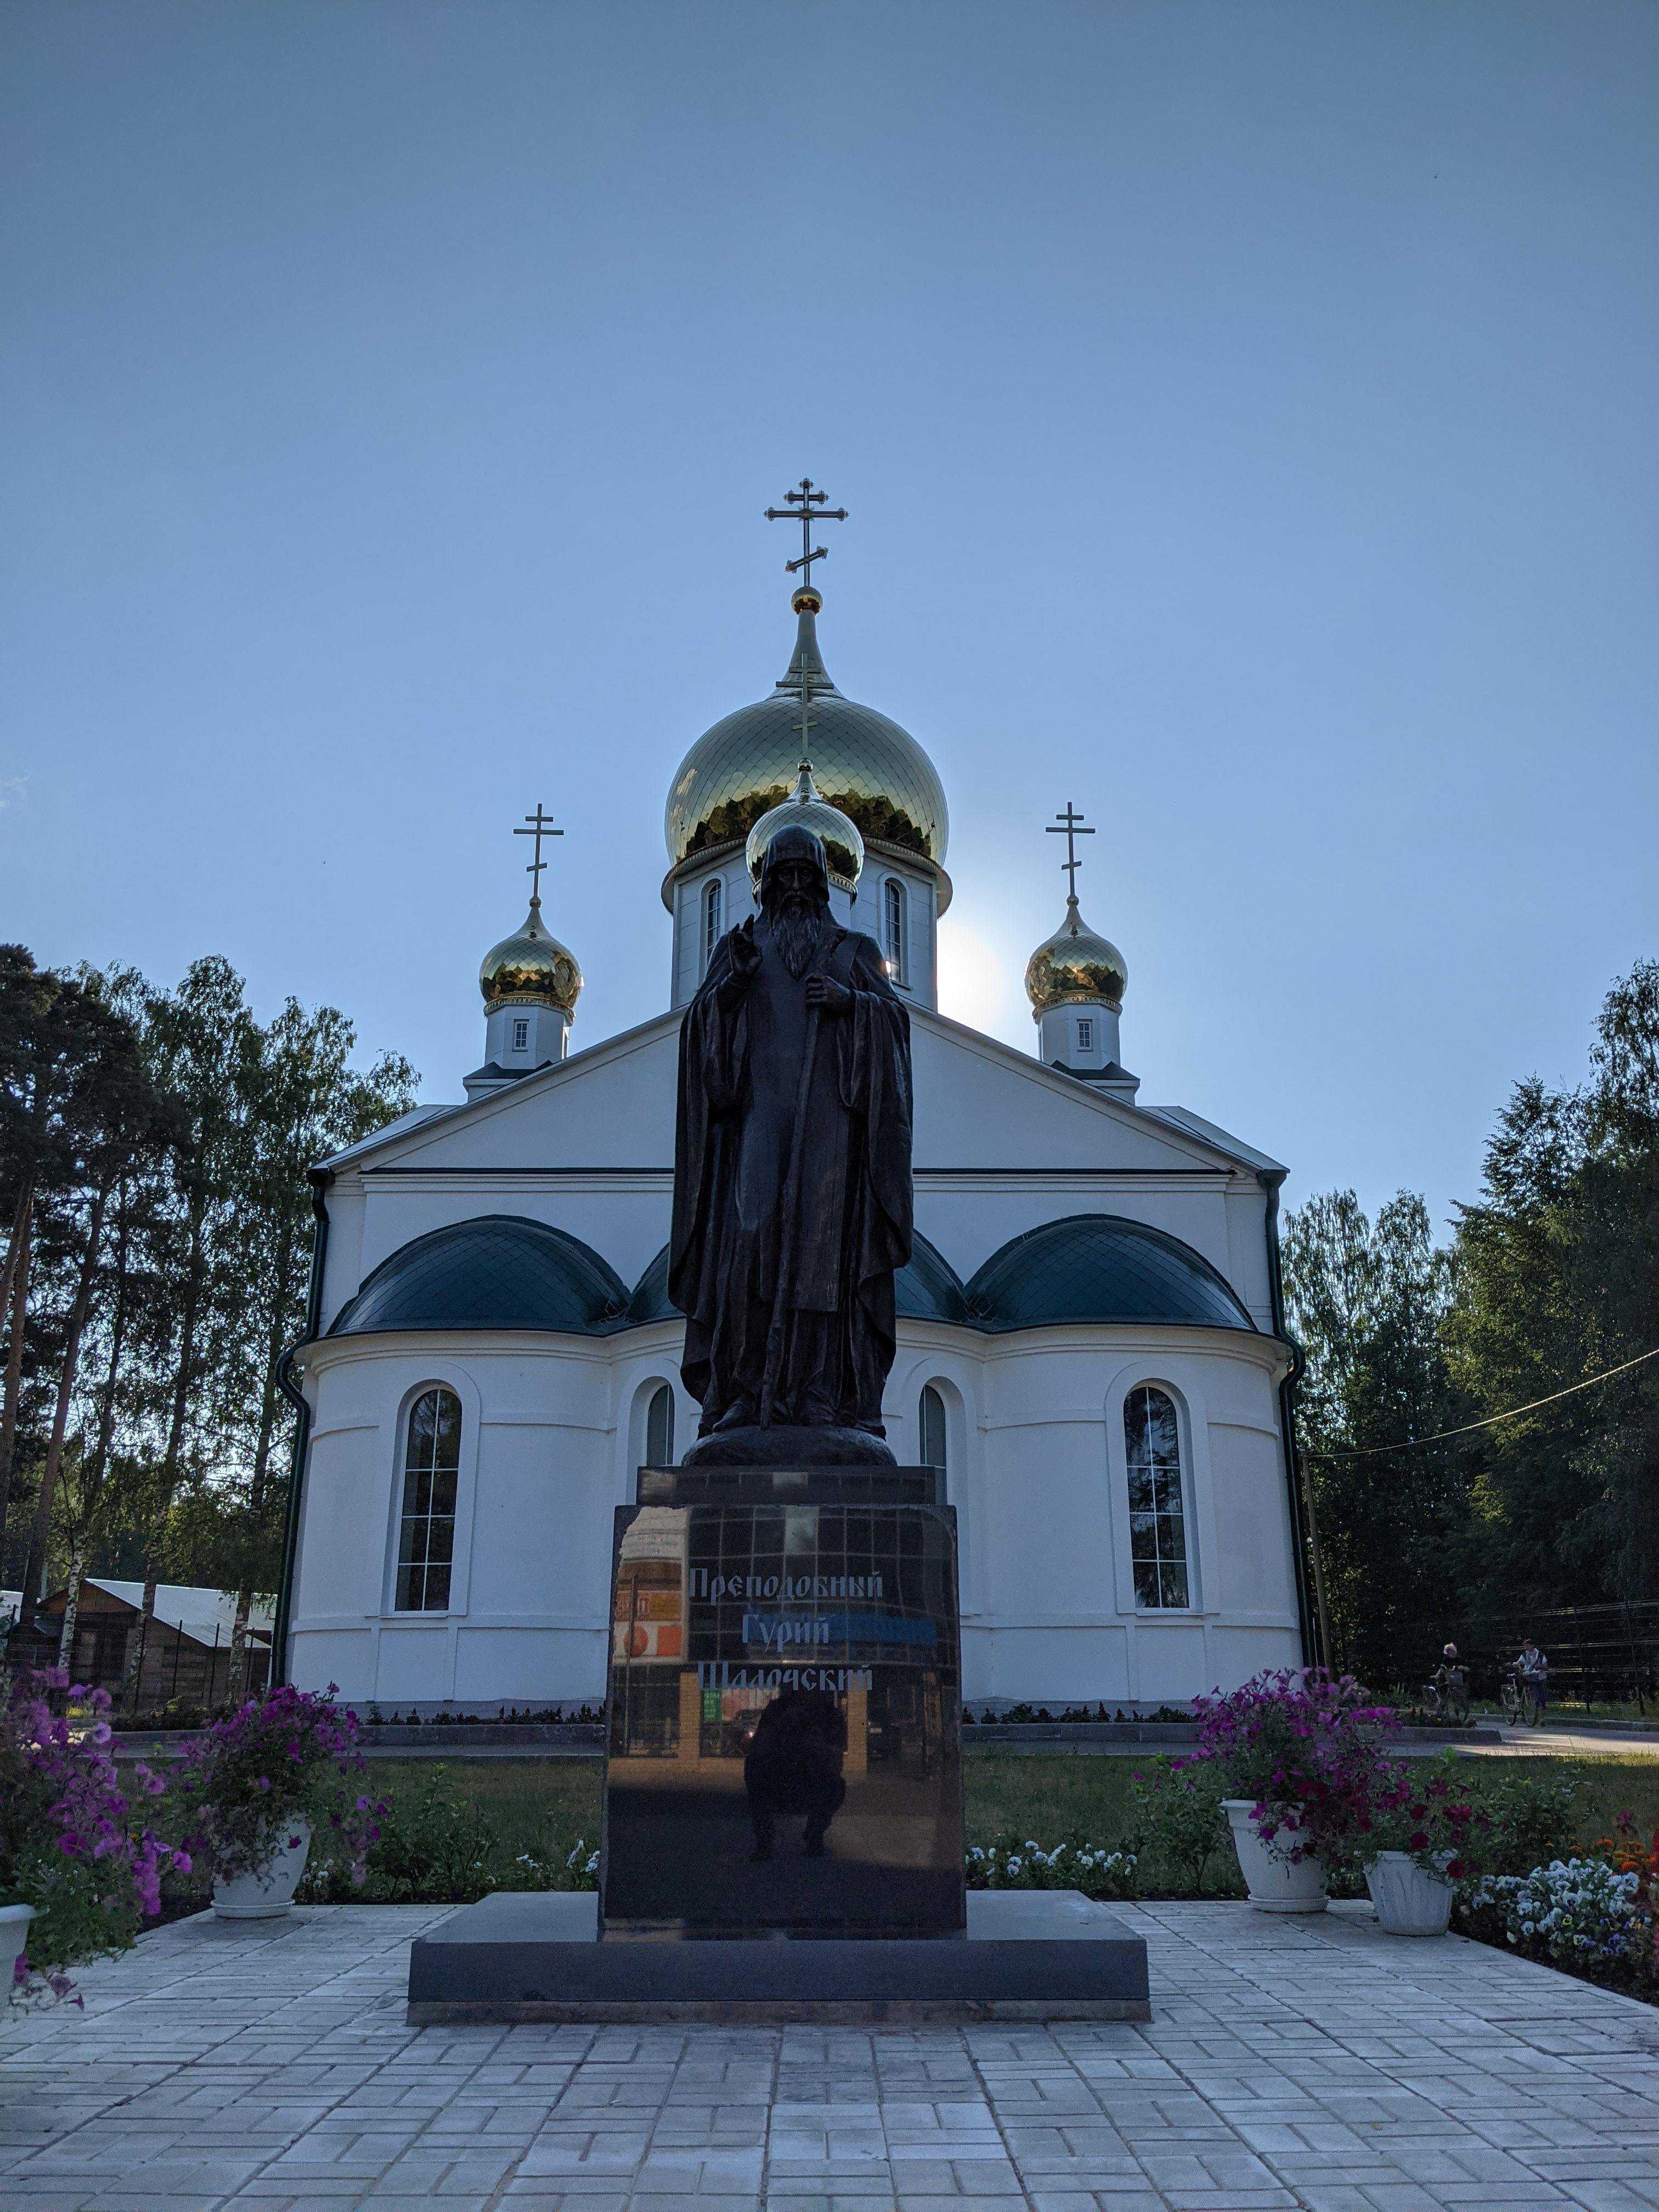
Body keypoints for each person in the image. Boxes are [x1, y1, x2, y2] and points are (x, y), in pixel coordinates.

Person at [671, 823, 912, 1442]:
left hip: (830, 1126)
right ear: (767, 881)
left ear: (824, 882)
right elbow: (701, 1036)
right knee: (750, 1241)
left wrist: (849, 1004)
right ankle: (744, 1390)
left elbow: (895, 1028)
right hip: (758, 1122)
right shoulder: (741, 948)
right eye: (786, 874)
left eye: (809, 874)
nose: (798, 886)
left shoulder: (850, 952)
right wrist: (731, 989)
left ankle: (819, 1394)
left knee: (822, 1255)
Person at [1516, 1637, 1549, 1723]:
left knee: (1543, 1698)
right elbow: (1518, 1663)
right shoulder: (1525, 1655)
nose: (1526, 1647)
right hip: (1531, 1679)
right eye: (1525, 1645)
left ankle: (1542, 1718)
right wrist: (1514, 1665)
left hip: (1541, 1678)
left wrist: (1539, 1667)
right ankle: (1538, 1716)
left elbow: (1546, 1667)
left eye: (1528, 1645)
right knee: (1536, 1697)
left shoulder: (1540, 1655)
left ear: (1532, 1645)